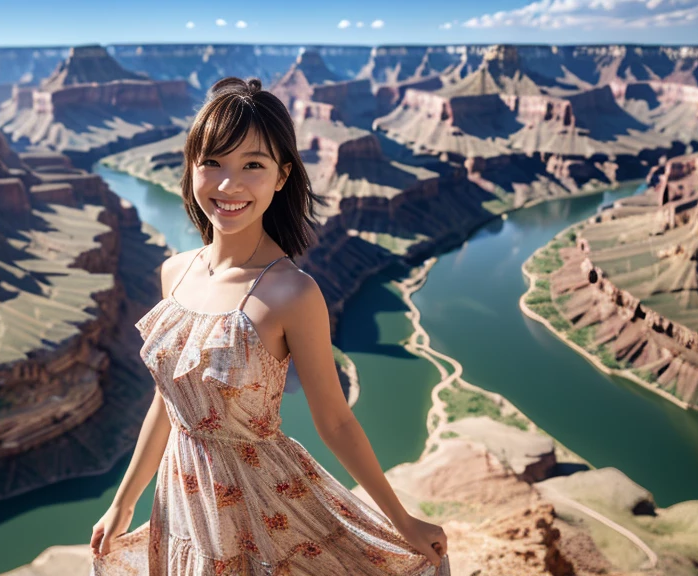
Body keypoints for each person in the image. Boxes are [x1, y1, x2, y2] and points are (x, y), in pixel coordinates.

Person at [90, 76, 450, 575]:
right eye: (212, 162)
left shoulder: (292, 293)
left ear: (281, 177)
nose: (227, 185)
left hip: (262, 506)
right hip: (181, 502)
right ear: (191, 167)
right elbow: (171, 400)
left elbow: (337, 422)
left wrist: (403, 521)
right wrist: (124, 502)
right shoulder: (175, 272)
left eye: (252, 166)